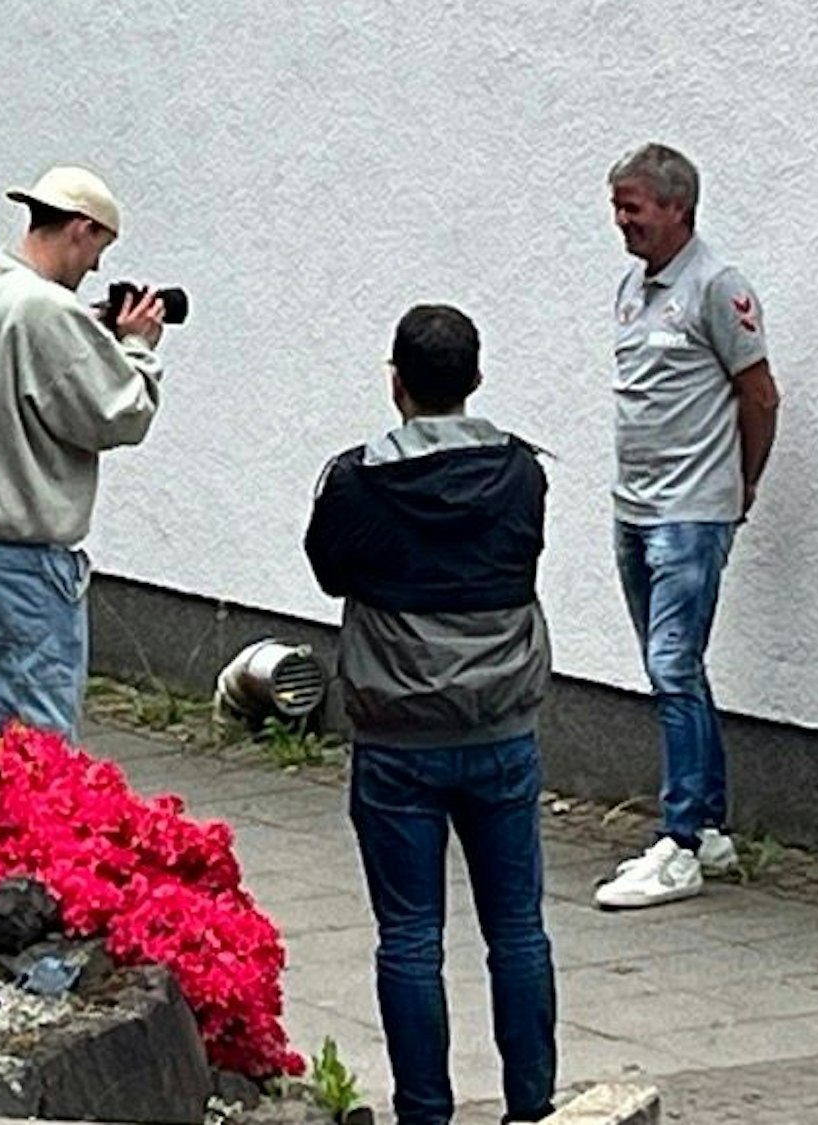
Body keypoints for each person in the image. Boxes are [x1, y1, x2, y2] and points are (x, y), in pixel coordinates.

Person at [303, 305, 556, 1125]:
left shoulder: (355, 480)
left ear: (396, 383)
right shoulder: (523, 473)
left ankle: (425, 1113)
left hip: (396, 741)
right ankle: (533, 1107)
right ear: (475, 379)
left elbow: (329, 572)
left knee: (410, 937)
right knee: (517, 930)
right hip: (501, 732)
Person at [0, 165, 166, 739]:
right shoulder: (45, 310)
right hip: (21, 562)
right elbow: (119, 412)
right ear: (81, 227)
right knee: (33, 750)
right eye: (99, 246)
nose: (96, 266)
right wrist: (138, 349)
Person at [593, 143, 782, 911]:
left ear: (678, 207)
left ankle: (677, 843)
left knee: (672, 666)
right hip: (634, 507)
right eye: (618, 207)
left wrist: (742, 487)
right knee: (676, 668)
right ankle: (707, 828)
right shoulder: (635, 290)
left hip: (691, 512)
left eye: (633, 206)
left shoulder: (717, 287)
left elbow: (760, 395)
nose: (622, 221)